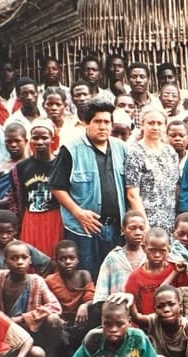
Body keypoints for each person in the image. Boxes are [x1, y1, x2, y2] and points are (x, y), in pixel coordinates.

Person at [50, 98, 127, 280]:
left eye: (107, 122)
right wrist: (78, 213)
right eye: (97, 122)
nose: (103, 127)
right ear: (86, 123)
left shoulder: (122, 148)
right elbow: (56, 186)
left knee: (115, 277)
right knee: (87, 277)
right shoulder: (71, 149)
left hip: (116, 228)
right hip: (83, 229)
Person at [0, 240, 63, 357]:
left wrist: (23, 318)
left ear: (30, 260)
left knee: (53, 319)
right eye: (14, 258)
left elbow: (55, 306)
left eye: (24, 257)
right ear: (5, 261)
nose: (20, 262)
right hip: (3, 332)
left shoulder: (36, 280)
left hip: (30, 331)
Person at [10, 119, 63, 258]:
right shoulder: (21, 167)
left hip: (55, 219)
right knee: (31, 258)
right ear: (30, 140)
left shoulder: (61, 164)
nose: (40, 142)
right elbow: (17, 197)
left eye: (44, 138)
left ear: (53, 139)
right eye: (36, 138)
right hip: (31, 219)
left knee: (54, 257)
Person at [125, 107, 181, 234]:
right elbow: (132, 194)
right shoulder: (135, 152)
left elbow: (174, 187)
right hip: (145, 221)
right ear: (142, 125)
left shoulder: (170, 151)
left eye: (159, 123)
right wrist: (144, 226)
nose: (155, 127)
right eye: (151, 123)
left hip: (168, 220)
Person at [124, 227, 187, 315]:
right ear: (143, 248)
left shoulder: (177, 269)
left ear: (168, 249)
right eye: (152, 250)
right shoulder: (135, 277)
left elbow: (184, 298)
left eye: (162, 251)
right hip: (146, 325)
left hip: (174, 324)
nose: (157, 255)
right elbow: (130, 307)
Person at [45, 240, 95, 350]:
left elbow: (91, 296)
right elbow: (47, 304)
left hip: (81, 320)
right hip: (61, 323)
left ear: (78, 259)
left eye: (72, 258)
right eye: (62, 259)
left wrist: (84, 305)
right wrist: (58, 317)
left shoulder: (83, 275)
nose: (67, 262)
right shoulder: (50, 280)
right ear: (56, 261)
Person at [0, 210, 51, 274]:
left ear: (16, 231)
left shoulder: (24, 248)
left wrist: (39, 280)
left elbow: (48, 264)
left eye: (9, 232)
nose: (4, 236)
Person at [126, 62, 157, 127]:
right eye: (134, 77)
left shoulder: (156, 103)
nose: (138, 80)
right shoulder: (123, 103)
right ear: (128, 80)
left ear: (148, 79)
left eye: (142, 77)